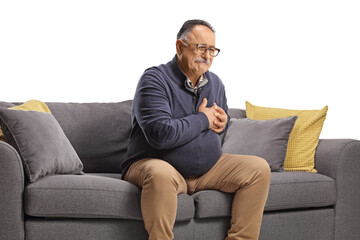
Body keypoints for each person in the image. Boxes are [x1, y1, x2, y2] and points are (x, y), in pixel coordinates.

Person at [121, 19, 271, 240]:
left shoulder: (216, 83)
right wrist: (203, 119)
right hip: (156, 163)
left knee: (258, 168)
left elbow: (220, 122)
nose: (208, 55)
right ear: (180, 47)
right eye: (201, 48)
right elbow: (160, 135)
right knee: (160, 174)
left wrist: (222, 123)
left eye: (212, 49)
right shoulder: (154, 79)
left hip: (207, 171)